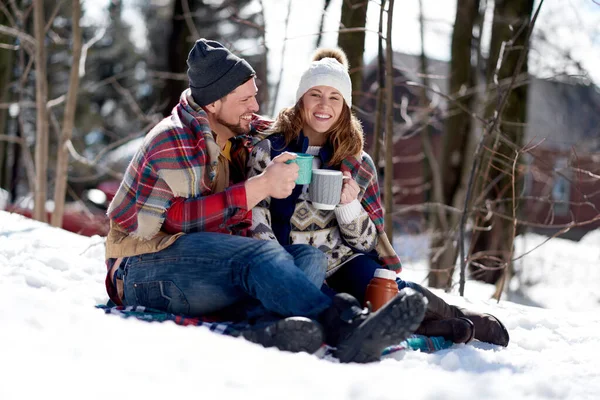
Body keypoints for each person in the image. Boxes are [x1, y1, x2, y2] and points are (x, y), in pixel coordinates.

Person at [103, 38, 427, 363]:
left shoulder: (239, 128)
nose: (255, 107)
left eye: (255, 96)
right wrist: (259, 187)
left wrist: (334, 136)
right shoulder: (173, 139)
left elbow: (292, 127)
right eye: (246, 99)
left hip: (209, 268)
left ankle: (262, 326)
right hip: (142, 270)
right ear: (214, 103)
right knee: (257, 254)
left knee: (308, 259)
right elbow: (173, 222)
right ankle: (344, 324)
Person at [247, 48, 509, 347]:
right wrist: (281, 268)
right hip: (294, 262)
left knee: (384, 288)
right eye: (315, 94)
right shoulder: (270, 152)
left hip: (343, 260)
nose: (324, 105)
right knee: (341, 310)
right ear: (301, 99)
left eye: (334, 97)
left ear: (345, 106)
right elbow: (256, 219)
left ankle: (454, 313)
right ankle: (434, 331)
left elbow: (366, 244)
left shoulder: (357, 162)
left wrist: (349, 206)